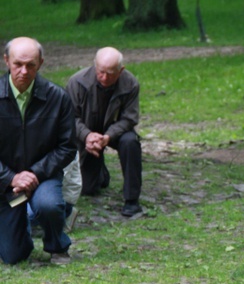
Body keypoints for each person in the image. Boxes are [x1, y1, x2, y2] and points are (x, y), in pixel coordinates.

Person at [0, 37, 76, 265]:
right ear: (6, 61)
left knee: (48, 204)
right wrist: (11, 177)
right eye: (18, 64)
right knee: (12, 255)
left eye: (31, 65)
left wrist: (34, 174)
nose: (24, 71)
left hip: (42, 177)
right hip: (5, 183)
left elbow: (67, 146)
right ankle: (22, 224)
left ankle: (57, 247)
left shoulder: (58, 98)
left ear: (41, 63)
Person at [66, 47, 143, 217]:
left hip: (115, 132)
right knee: (87, 188)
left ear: (121, 70)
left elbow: (129, 118)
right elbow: (70, 118)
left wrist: (108, 137)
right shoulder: (77, 82)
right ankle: (101, 172)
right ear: (94, 66)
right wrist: (87, 135)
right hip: (86, 133)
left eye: (110, 73)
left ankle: (132, 200)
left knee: (130, 142)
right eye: (101, 72)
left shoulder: (130, 84)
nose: (105, 77)